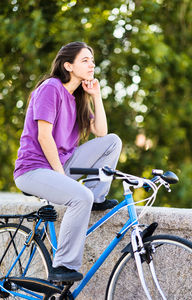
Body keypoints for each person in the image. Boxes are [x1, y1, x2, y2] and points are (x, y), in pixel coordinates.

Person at [14, 41, 122, 282]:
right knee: (79, 196)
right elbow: (44, 136)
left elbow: (101, 132)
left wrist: (96, 95)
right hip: (34, 169)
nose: (91, 64)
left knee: (113, 141)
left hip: (60, 165)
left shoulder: (77, 98)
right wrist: (61, 177)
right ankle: (62, 266)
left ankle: (97, 197)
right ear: (68, 65)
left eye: (92, 60)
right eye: (85, 60)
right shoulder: (51, 88)